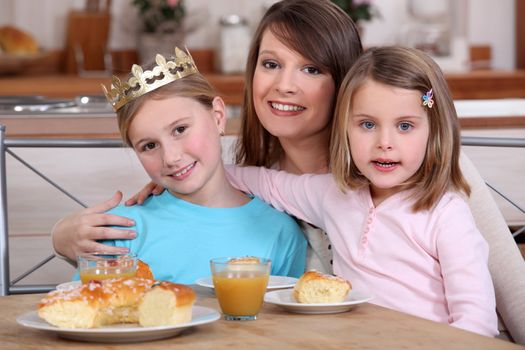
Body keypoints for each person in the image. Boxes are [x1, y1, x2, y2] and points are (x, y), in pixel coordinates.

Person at [52, 0, 363, 274]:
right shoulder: (242, 181)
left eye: (311, 69)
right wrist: (62, 236)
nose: (284, 85)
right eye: (270, 64)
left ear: (344, 80)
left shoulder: (375, 180)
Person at [225, 46, 498, 337]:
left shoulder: (446, 215)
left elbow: (477, 323)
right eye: (367, 124)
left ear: (434, 132)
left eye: (404, 126)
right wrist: (203, 171)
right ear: (345, 129)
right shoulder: (332, 193)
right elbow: (267, 183)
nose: (385, 142)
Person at [74, 47, 307, 284]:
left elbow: (282, 319)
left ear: (217, 116)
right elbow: (87, 311)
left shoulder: (280, 233)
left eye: (180, 130)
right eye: (150, 146)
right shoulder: (118, 230)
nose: (171, 158)